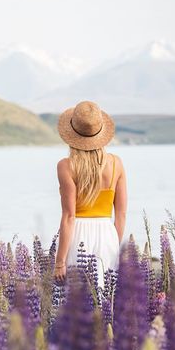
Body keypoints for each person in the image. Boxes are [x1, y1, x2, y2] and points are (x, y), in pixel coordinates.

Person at [53, 100, 127, 288]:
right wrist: (113, 244)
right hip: (108, 233)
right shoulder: (116, 163)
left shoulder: (66, 166)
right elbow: (121, 213)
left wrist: (60, 261)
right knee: (106, 297)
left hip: (78, 235)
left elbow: (69, 216)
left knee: (77, 302)